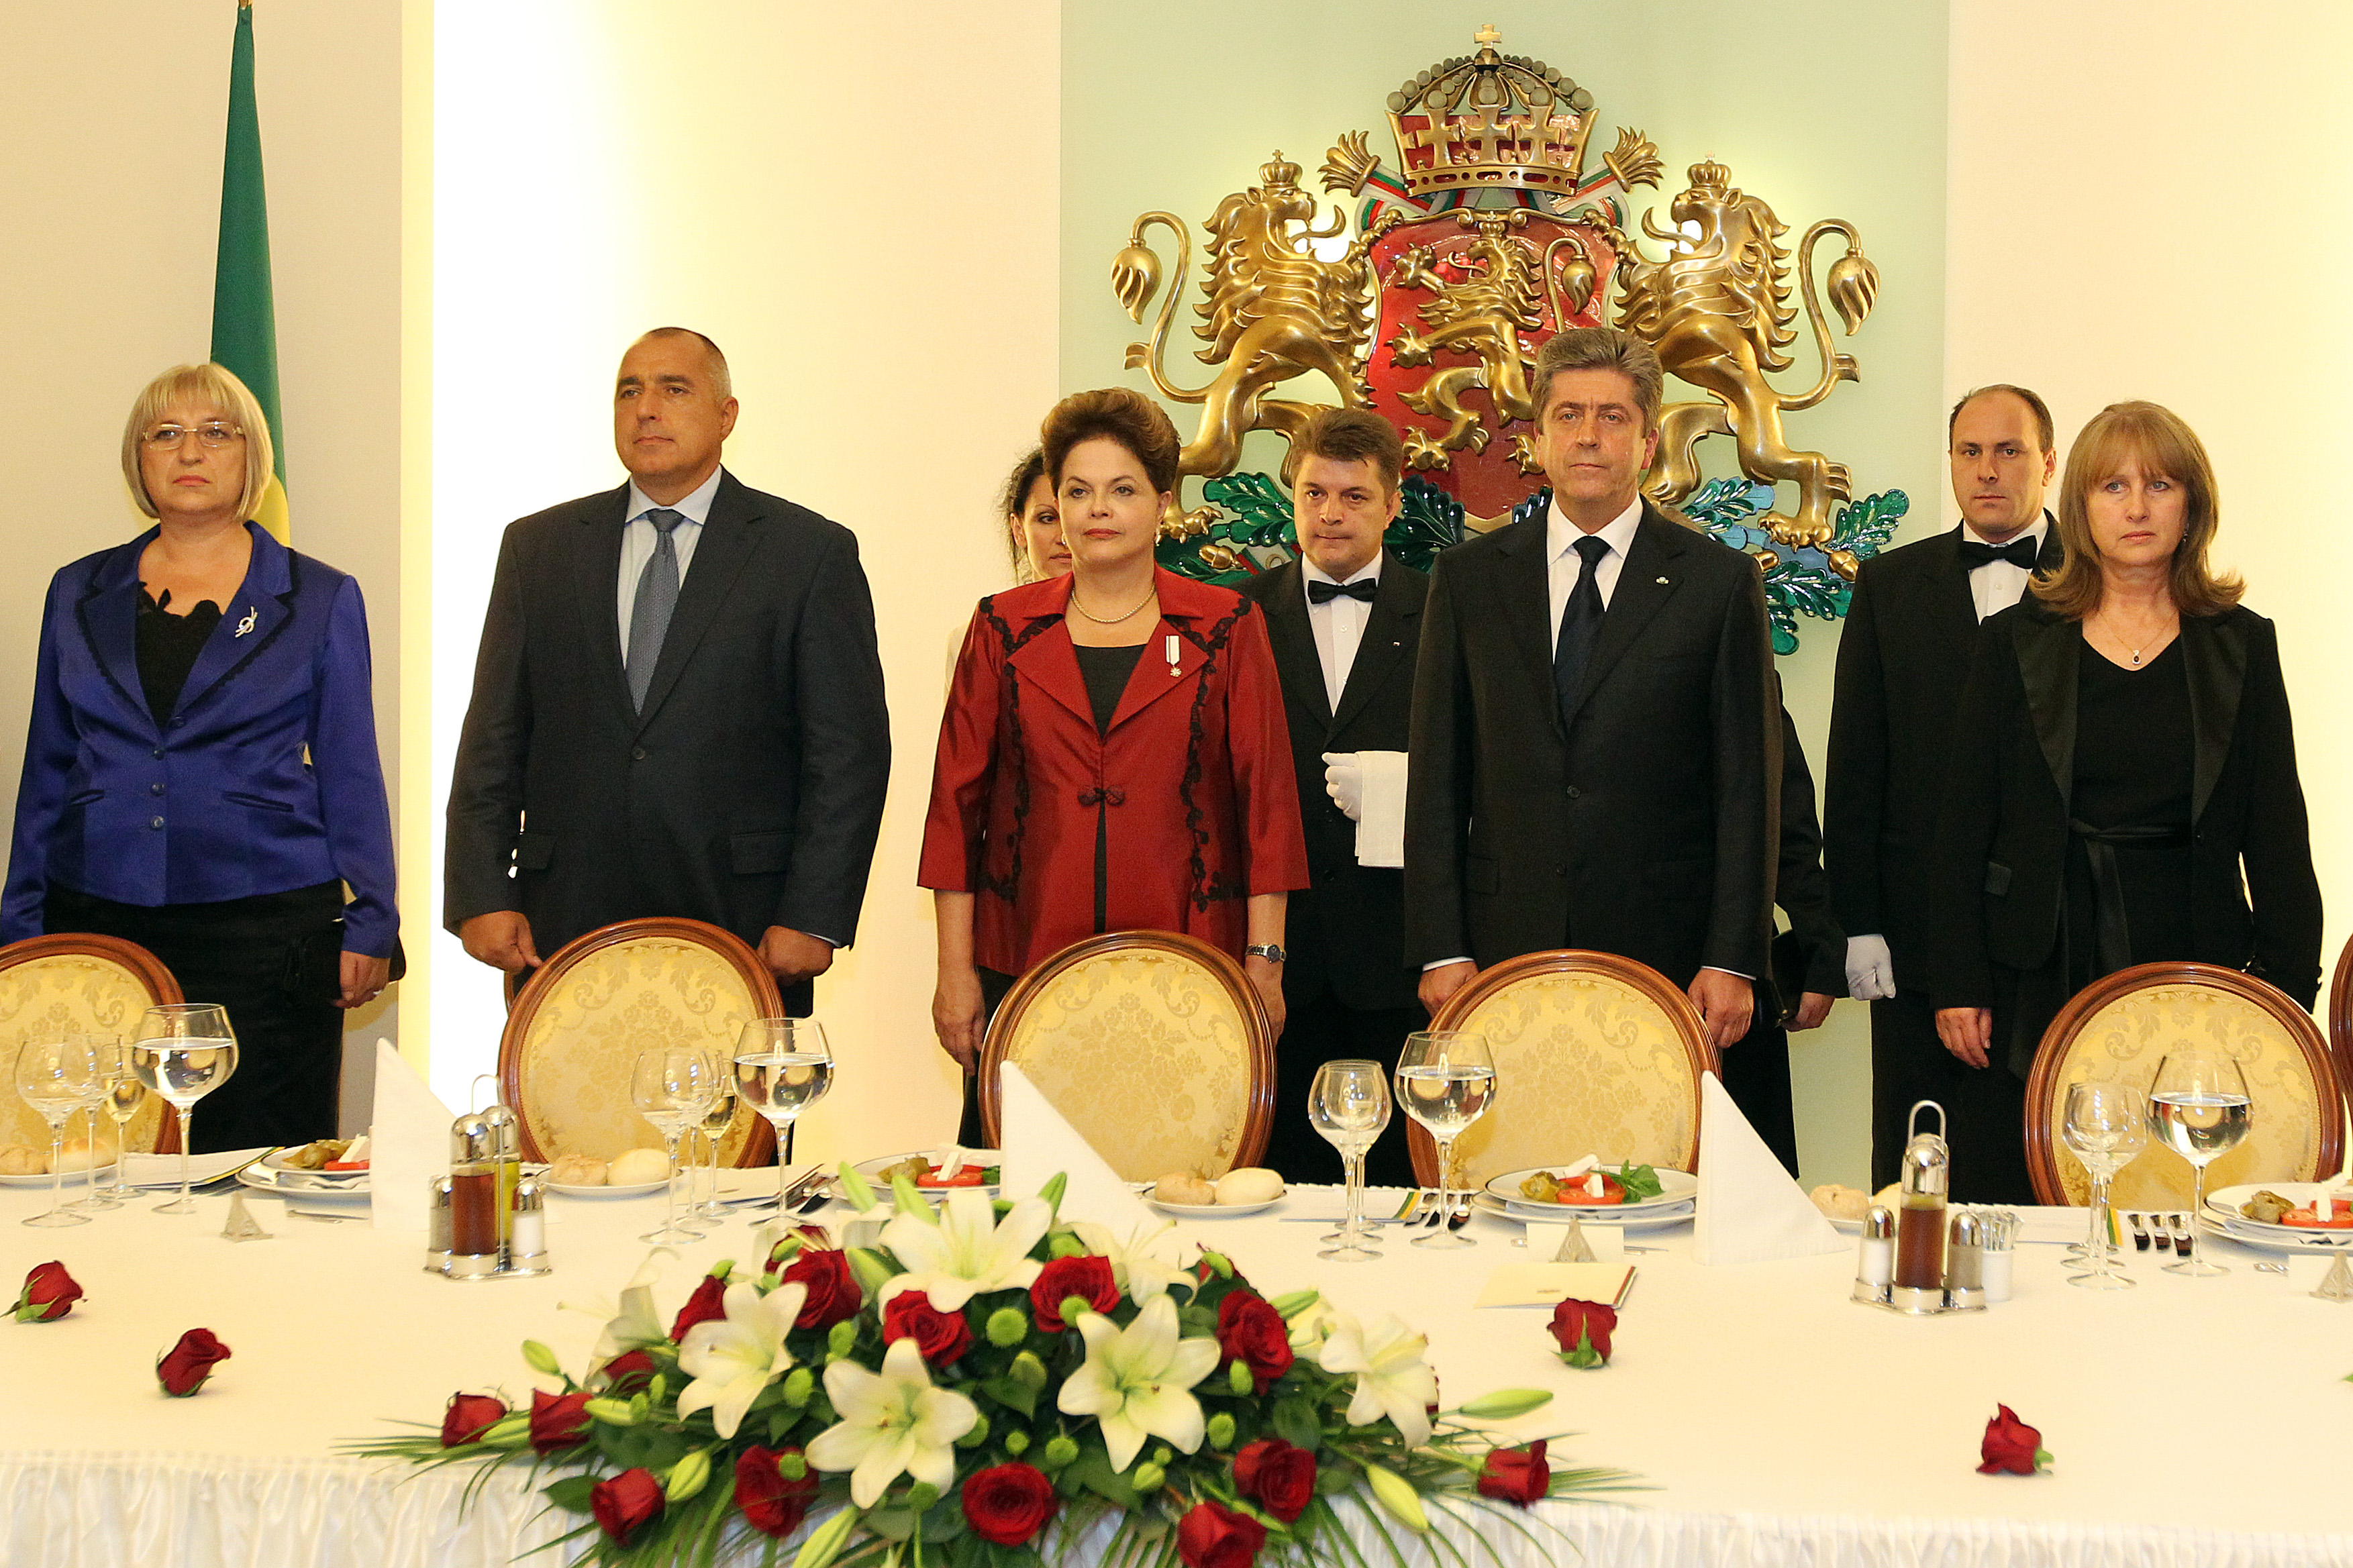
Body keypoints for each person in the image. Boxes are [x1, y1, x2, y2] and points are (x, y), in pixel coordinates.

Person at [1928, 401, 2320, 1202]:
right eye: (2111, 486)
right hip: (2033, 965)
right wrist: (1957, 981)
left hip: (2194, 955)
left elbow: (2277, 832)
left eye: (2158, 485)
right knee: (2026, 1199)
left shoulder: (2242, 645)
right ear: (2078, 508)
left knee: (2182, 1199)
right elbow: (1962, 826)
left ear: (2192, 505)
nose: (2135, 508)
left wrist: (2280, 998)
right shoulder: (2015, 642)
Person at [2, 363, 397, 1151]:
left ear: (252, 460)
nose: (192, 450)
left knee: (261, 1165)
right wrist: (19, 920)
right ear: (137, 461)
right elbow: (47, 764)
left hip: (267, 930)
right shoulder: (77, 591)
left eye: (218, 433)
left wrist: (373, 922)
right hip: (100, 918)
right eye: (167, 433)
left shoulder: (318, 596)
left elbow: (352, 771)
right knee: (105, 1155)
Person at [445, 329, 889, 1012]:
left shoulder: (806, 554)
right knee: (568, 1118)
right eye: (629, 390)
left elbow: (847, 754)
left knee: (732, 1122)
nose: (646, 408)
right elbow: (493, 737)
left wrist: (815, 913)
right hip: (565, 918)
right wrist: (479, 892)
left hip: (742, 919)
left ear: (725, 415)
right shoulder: (539, 550)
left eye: (673, 389)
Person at [922, 388, 1309, 1136]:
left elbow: (1267, 803)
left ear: (1162, 505)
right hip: (1027, 953)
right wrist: (953, 971)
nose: (1097, 509)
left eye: (1121, 489)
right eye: (1077, 491)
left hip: (1191, 959)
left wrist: (1266, 960)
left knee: (1181, 1174)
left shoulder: (1227, 625)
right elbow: (954, 810)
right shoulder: (1000, 628)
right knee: (1025, 1195)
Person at [1405, 327, 1776, 1054]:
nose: (1587, 437)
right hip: (1500, 943)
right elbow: (1436, 776)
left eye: (1612, 417)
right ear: (1538, 438)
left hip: (1665, 950)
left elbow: (1746, 787)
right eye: (1568, 415)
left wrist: (1731, 956)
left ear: (1645, 443)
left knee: (1654, 1166)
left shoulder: (1717, 584)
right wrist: (1437, 945)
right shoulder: (1468, 580)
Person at [1826, 384, 2065, 1188]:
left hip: (2054, 935)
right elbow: (1856, 768)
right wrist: (1855, 925)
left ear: (2048, 462)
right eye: (1969, 452)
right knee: (1910, 1172)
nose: (1987, 470)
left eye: (2008, 451)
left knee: (2043, 1170)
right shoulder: (1889, 585)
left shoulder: (2103, 587)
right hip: (1913, 933)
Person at [1239, 409, 1422, 1185]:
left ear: (1391, 504)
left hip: (1400, 948)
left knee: (1399, 1181)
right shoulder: (1239, 613)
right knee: (1276, 1178)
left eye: (1352, 496)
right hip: (1277, 954)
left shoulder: (1445, 611)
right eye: (1313, 493)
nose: (1329, 513)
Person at [1724, 693, 1848, 1176]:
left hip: (1720, 965)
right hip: (1557, 965)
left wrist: (1821, 948)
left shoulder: (1728, 631)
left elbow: (1787, 824)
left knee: (1743, 1190)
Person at [999, 448, 1070, 583]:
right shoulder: (996, 605)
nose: (1064, 538)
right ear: (1019, 529)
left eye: (1073, 519)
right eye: (1047, 519)